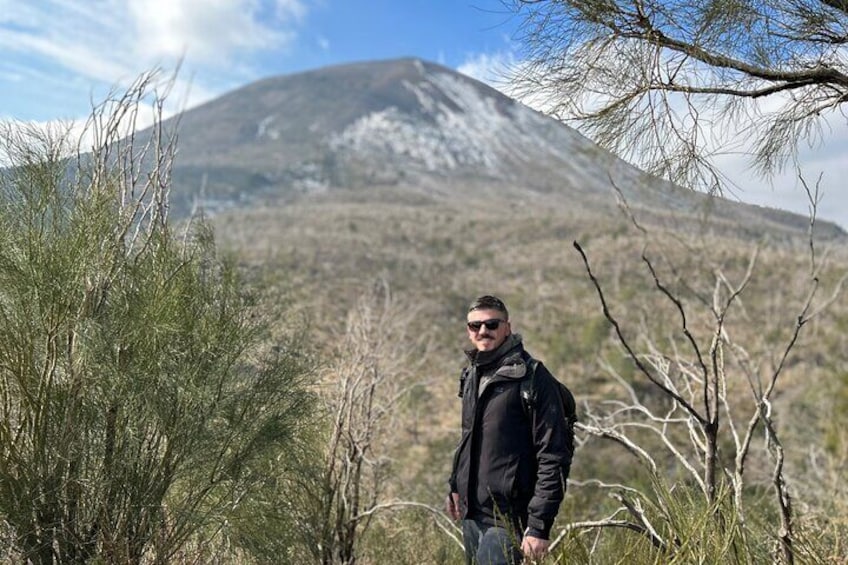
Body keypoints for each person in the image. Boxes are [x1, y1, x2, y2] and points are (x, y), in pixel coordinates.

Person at [446, 295, 574, 564]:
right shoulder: (472, 374)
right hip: (472, 516)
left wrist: (539, 526)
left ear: (508, 326)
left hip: (508, 519)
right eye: (475, 326)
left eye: (492, 324)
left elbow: (553, 455)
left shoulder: (533, 377)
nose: (483, 331)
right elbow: (469, 439)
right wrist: (455, 485)